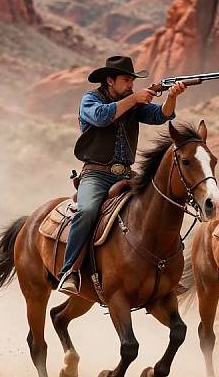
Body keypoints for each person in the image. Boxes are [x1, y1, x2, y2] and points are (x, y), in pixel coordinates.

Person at [58, 55, 186, 295]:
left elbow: (161, 116)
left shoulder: (133, 101)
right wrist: (135, 99)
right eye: (127, 80)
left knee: (159, 208)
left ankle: (166, 272)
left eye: (132, 81)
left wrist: (172, 97)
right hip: (96, 174)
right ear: (110, 80)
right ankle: (70, 271)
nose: (131, 85)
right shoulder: (90, 100)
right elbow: (101, 116)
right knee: (85, 212)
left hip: (127, 174)